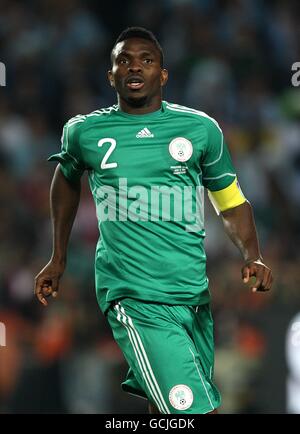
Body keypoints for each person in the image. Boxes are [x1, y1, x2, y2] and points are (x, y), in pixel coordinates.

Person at [34, 27, 273, 414]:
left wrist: (253, 254)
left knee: (166, 410)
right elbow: (65, 180)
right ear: (111, 75)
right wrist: (58, 257)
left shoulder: (200, 129)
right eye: (123, 60)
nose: (134, 67)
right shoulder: (85, 131)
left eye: (146, 60)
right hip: (134, 295)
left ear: (163, 75)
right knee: (194, 411)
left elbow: (229, 200)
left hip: (192, 295)